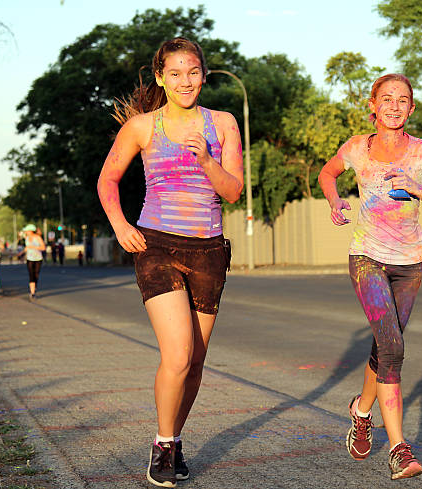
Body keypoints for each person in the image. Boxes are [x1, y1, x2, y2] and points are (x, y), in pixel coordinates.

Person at [97, 37, 243, 488]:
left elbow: (233, 190)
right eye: (175, 73)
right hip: (157, 246)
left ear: (204, 74)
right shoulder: (143, 127)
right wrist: (121, 225)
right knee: (177, 354)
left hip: (208, 251)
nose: (185, 81)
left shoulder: (223, 124)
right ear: (161, 77)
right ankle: (162, 446)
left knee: (196, 362)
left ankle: (174, 438)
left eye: (193, 72)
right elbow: (108, 178)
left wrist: (205, 160)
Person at [318, 74, 422, 480]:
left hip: (409, 263)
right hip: (367, 257)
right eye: (387, 99)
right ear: (373, 105)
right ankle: (400, 449)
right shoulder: (357, 149)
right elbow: (327, 174)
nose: (394, 106)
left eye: (403, 100)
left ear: (411, 108)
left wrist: (419, 189)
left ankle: (361, 411)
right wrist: (334, 200)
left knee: (386, 346)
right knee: (394, 348)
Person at [21, 224, 46, 301]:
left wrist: (34, 247)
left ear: (31, 231)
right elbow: (26, 248)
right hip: (29, 258)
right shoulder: (27, 238)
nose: (26, 232)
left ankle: (34, 286)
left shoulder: (38, 237)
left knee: (36, 274)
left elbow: (43, 247)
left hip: (38, 258)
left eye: (27, 230)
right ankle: (32, 292)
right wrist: (21, 254)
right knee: (31, 274)